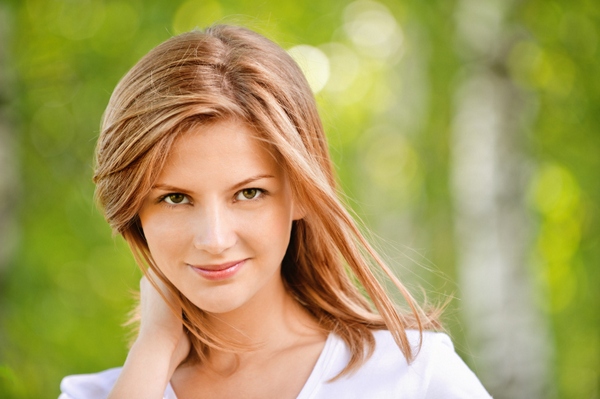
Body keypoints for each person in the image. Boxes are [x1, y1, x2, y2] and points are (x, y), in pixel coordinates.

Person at [59, 24, 492, 398]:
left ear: (301, 191)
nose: (215, 239)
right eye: (175, 198)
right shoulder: (101, 392)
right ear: (134, 209)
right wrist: (153, 348)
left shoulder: (411, 378)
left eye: (248, 193)